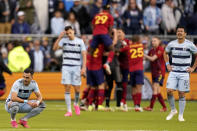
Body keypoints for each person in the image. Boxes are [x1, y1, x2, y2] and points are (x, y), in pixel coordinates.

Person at [164, 25, 197, 122]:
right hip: (173, 72)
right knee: (169, 90)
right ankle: (173, 110)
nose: (179, 33)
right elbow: (165, 53)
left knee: (181, 93)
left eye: (181, 31)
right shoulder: (171, 44)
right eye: (178, 31)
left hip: (184, 73)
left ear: (185, 34)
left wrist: (193, 68)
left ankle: (181, 115)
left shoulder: (190, 45)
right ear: (176, 33)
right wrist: (167, 64)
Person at [53, 26, 86, 117]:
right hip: (66, 67)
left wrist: (84, 67)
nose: (69, 34)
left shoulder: (80, 41)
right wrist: (59, 37)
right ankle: (69, 111)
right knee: (67, 87)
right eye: (67, 33)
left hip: (76, 67)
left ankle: (75, 104)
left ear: (73, 31)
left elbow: (84, 55)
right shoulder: (64, 41)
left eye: (70, 32)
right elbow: (54, 48)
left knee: (77, 89)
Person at [120, 35, 144, 112]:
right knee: (139, 87)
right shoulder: (141, 45)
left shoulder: (128, 47)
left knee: (133, 87)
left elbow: (120, 50)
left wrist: (125, 45)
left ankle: (135, 105)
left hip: (131, 70)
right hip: (139, 69)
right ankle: (138, 105)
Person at [143, 37, 167, 112]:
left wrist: (143, 54)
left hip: (159, 72)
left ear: (159, 41)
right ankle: (164, 107)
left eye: (155, 41)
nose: (153, 42)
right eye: (152, 41)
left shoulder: (160, 49)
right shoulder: (151, 50)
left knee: (155, 88)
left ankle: (151, 107)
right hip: (153, 72)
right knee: (157, 90)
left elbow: (152, 58)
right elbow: (147, 58)